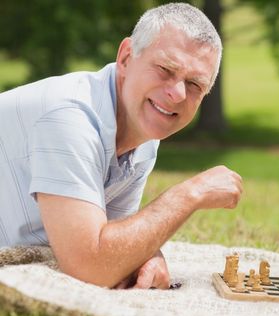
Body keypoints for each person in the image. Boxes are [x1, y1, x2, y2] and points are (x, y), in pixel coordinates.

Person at [0, 3, 243, 290]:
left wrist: (150, 256)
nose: (177, 94)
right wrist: (190, 194)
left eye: (194, 84)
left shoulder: (141, 132)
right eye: (165, 69)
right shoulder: (69, 118)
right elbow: (90, 266)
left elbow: (116, 242)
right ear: (127, 57)